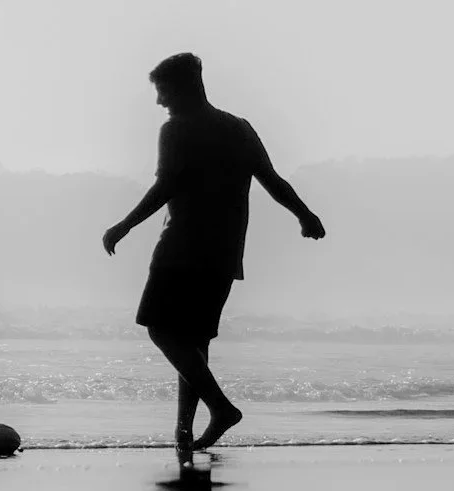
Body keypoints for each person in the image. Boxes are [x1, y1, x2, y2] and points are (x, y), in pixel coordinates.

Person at [102, 53, 325, 460]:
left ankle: (220, 408)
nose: (160, 103)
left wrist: (125, 224)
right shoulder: (239, 129)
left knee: (161, 330)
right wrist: (304, 214)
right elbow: (272, 181)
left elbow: (165, 186)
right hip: (224, 253)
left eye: (164, 93)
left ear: (188, 87)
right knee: (194, 344)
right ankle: (183, 433)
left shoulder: (177, 130)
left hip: (182, 247)